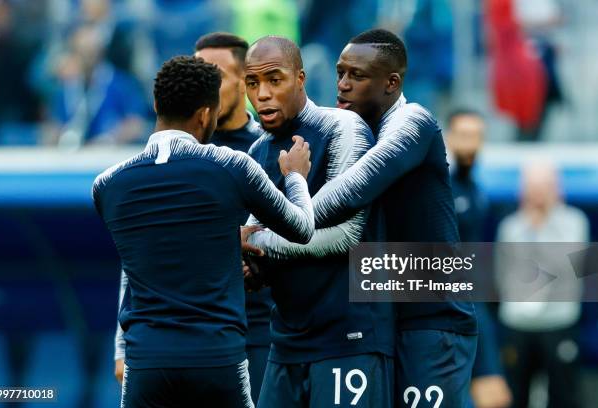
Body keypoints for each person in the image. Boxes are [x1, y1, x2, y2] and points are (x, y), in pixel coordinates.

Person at [93, 55, 315, 407]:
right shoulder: (232, 165)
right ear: (206, 114)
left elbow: (156, 245)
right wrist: (295, 177)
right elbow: (302, 228)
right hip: (217, 357)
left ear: (155, 104)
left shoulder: (107, 184)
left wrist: (226, 239)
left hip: (146, 362)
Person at [308, 29, 477, 407]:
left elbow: (353, 191)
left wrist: (265, 232)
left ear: (391, 83)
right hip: (380, 322)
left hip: (433, 318)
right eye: (340, 73)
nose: (342, 85)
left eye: (357, 75)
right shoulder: (351, 132)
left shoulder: (414, 122)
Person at [112, 32, 271, 404]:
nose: (207, 85)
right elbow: (136, 251)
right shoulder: (170, 152)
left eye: (217, 74)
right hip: (177, 338)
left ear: (244, 82)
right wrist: (121, 344)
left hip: (259, 329)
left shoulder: (268, 148)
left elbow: (297, 227)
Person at [243, 36, 395, 408]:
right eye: (252, 83)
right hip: (287, 339)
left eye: (274, 80)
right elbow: (250, 236)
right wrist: (249, 264)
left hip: (348, 337)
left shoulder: (343, 127)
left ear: (300, 79)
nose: (262, 94)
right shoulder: (257, 151)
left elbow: (345, 236)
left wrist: (255, 244)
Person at [496, 162, 587, 408]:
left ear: (557, 189)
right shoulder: (510, 226)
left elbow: (571, 269)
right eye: (532, 187)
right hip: (517, 325)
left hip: (559, 323)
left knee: (564, 396)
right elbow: (503, 274)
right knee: (514, 396)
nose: (537, 193)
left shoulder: (575, 222)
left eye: (543, 186)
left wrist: (538, 231)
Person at [446, 109, 512, 408]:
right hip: (448, 315)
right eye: (463, 136)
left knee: (493, 398)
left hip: (477, 309)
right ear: (449, 138)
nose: (470, 144)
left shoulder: (477, 192)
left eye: (476, 137)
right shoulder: (440, 190)